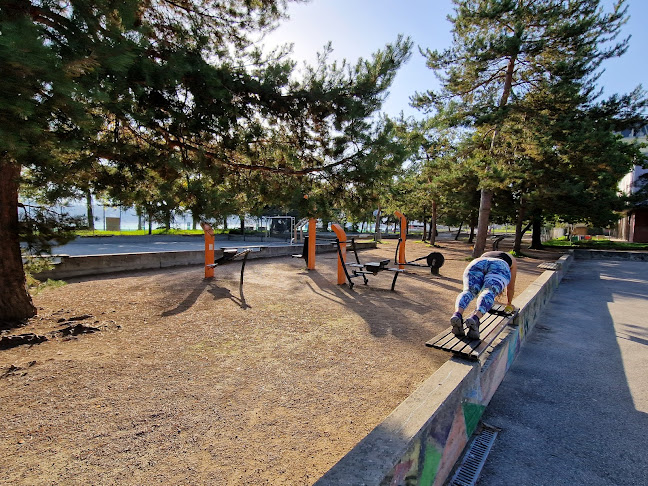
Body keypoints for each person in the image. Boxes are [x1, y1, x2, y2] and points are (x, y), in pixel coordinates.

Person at [450, 250, 517, 340]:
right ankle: (475, 318)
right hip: (500, 265)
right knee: (489, 291)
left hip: (477, 262)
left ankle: (457, 314)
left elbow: (482, 280)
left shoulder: (486, 254)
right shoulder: (511, 259)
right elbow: (511, 287)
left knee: (468, 291)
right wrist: (509, 303)